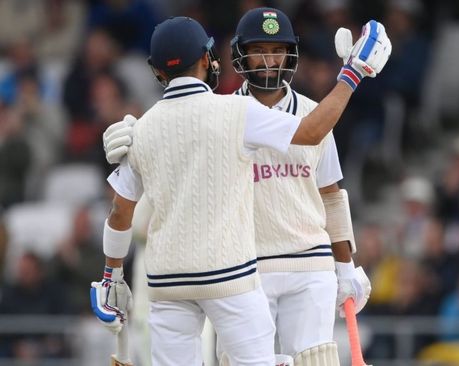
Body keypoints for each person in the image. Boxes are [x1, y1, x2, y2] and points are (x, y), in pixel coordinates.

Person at [94, 14, 391, 366]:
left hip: (206, 275)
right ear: (210, 59)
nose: (268, 60)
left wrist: (111, 276)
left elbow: (118, 211)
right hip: (238, 273)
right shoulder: (236, 110)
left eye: (277, 50)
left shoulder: (147, 127)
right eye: (258, 51)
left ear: (158, 72)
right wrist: (352, 73)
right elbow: (311, 132)